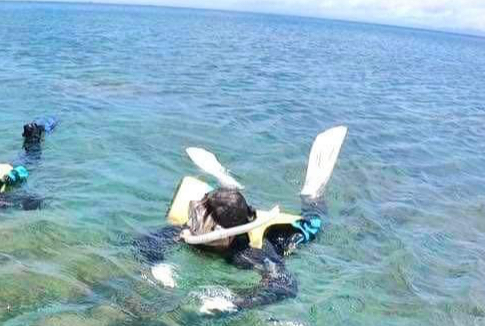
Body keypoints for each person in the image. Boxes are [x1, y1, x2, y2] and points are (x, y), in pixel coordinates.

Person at [136, 127, 346, 313]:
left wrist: (236, 302)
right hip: (236, 219)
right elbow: (146, 241)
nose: (192, 222)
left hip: (288, 233)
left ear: (221, 231)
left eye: (201, 217)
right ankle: (225, 179)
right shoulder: (193, 230)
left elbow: (285, 286)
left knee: (315, 221)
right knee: (225, 204)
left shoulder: (251, 253)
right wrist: (157, 266)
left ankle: (313, 195)